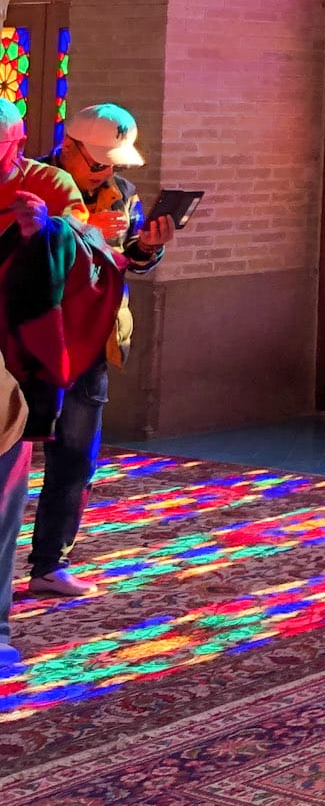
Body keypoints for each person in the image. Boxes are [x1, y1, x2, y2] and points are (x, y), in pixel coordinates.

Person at [25, 104, 175, 597]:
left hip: (92, 340)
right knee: (12, 456)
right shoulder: (32, 186)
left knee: (76, 458)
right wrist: (86, 235)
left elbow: (127, 260)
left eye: (116, 163)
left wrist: (147, 248)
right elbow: (27, 257)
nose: (108, 172)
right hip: (34, 336)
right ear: (68, 148)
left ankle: (50, 562)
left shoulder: (123, 194)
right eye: (98, 162)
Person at [0, 96, 97, 671]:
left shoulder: (50, 184)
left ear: (14, 144)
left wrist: (43, 233)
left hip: (19, 361)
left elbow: (91, 256)